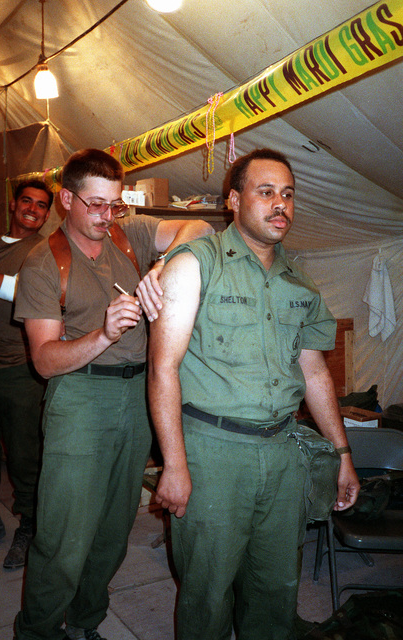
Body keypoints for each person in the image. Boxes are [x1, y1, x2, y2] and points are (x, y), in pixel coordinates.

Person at [147, 148, 361, 640]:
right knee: (207, 589)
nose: (279, 204)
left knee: (275, 588)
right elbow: (163, 368)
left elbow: (315, 374)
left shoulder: (300, 283)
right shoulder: (196, 264)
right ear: (234, 200)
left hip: (284, 453)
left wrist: (342, 453)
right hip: (213, 453)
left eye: (288, 194)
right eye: (266, 192)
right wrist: (174, 465)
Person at [13, 148, 214, 640]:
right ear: (66, 200)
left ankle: (85, 622)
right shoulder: (44, 264)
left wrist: (162, 265)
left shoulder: (129, 234)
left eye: (115, 204)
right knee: (64, 537)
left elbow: (203, 229)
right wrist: (102, 335)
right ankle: (36, 632)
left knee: (111, 532)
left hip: (137, 401)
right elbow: (44, 360)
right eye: (96, 205)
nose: (107, 216)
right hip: (79, 402)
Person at [0, 179, 53, 569]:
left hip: (18, 369)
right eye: (27, 201)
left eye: (42, 205)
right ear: (13, 203)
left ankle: (30, 525)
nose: (33, 209)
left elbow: (16, 291)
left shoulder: (43, 251)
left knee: (25, 454)